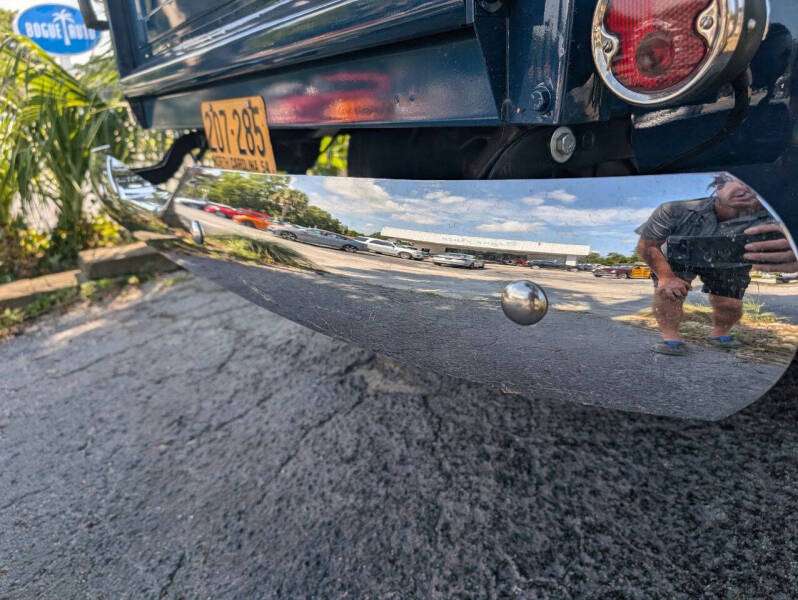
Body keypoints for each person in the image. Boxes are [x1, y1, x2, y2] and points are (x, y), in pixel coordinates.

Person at [635, 174, 798, 356]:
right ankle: (671, 338)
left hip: (730, 260)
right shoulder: (674, 210)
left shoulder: (777, 219)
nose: (749, 189)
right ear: (718, 187)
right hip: (678, 256)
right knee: (669, 294)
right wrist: (666, 277)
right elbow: (646, 246)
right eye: (740, 182)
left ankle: (719, 334)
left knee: (730, 304)